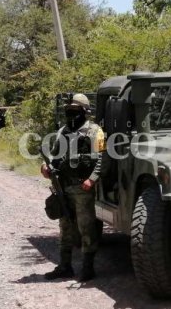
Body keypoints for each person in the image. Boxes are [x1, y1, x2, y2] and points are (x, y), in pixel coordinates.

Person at [40, 93, 106, 282]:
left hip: (83, 187)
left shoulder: (96, 131)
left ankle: (87, 267)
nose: (71, 113)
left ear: (85, 111)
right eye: (69, 110)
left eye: (75, 110)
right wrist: (46, 167)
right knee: (65, 227)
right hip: (64, 186)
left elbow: (103, 159)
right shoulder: (63, 131)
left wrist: (92, 180)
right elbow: (54, 156)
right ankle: (65, 266)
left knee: (86, 227)